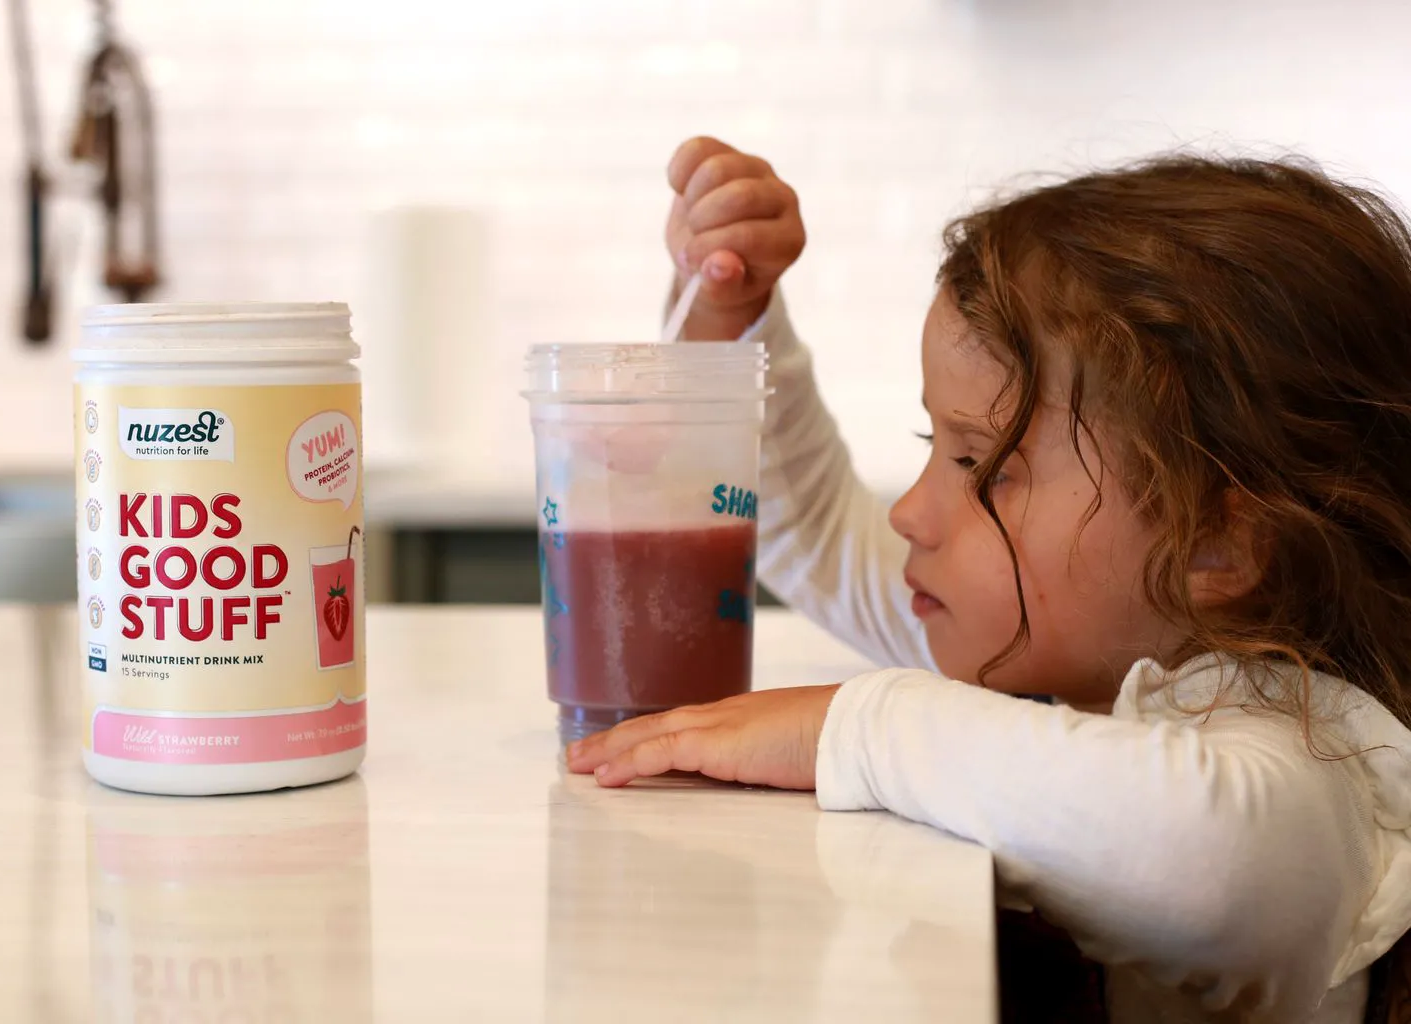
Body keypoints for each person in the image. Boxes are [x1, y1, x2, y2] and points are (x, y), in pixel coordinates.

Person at [566, 136, 1411, 1022]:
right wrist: (730, 319)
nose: (909, 513)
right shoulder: (1051, 653)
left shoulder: (1320, 754)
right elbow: (812, 528)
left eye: (981, 463)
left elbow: (1218, 860)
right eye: (933, 444)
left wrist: (858, 728)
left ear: (1216, 547)